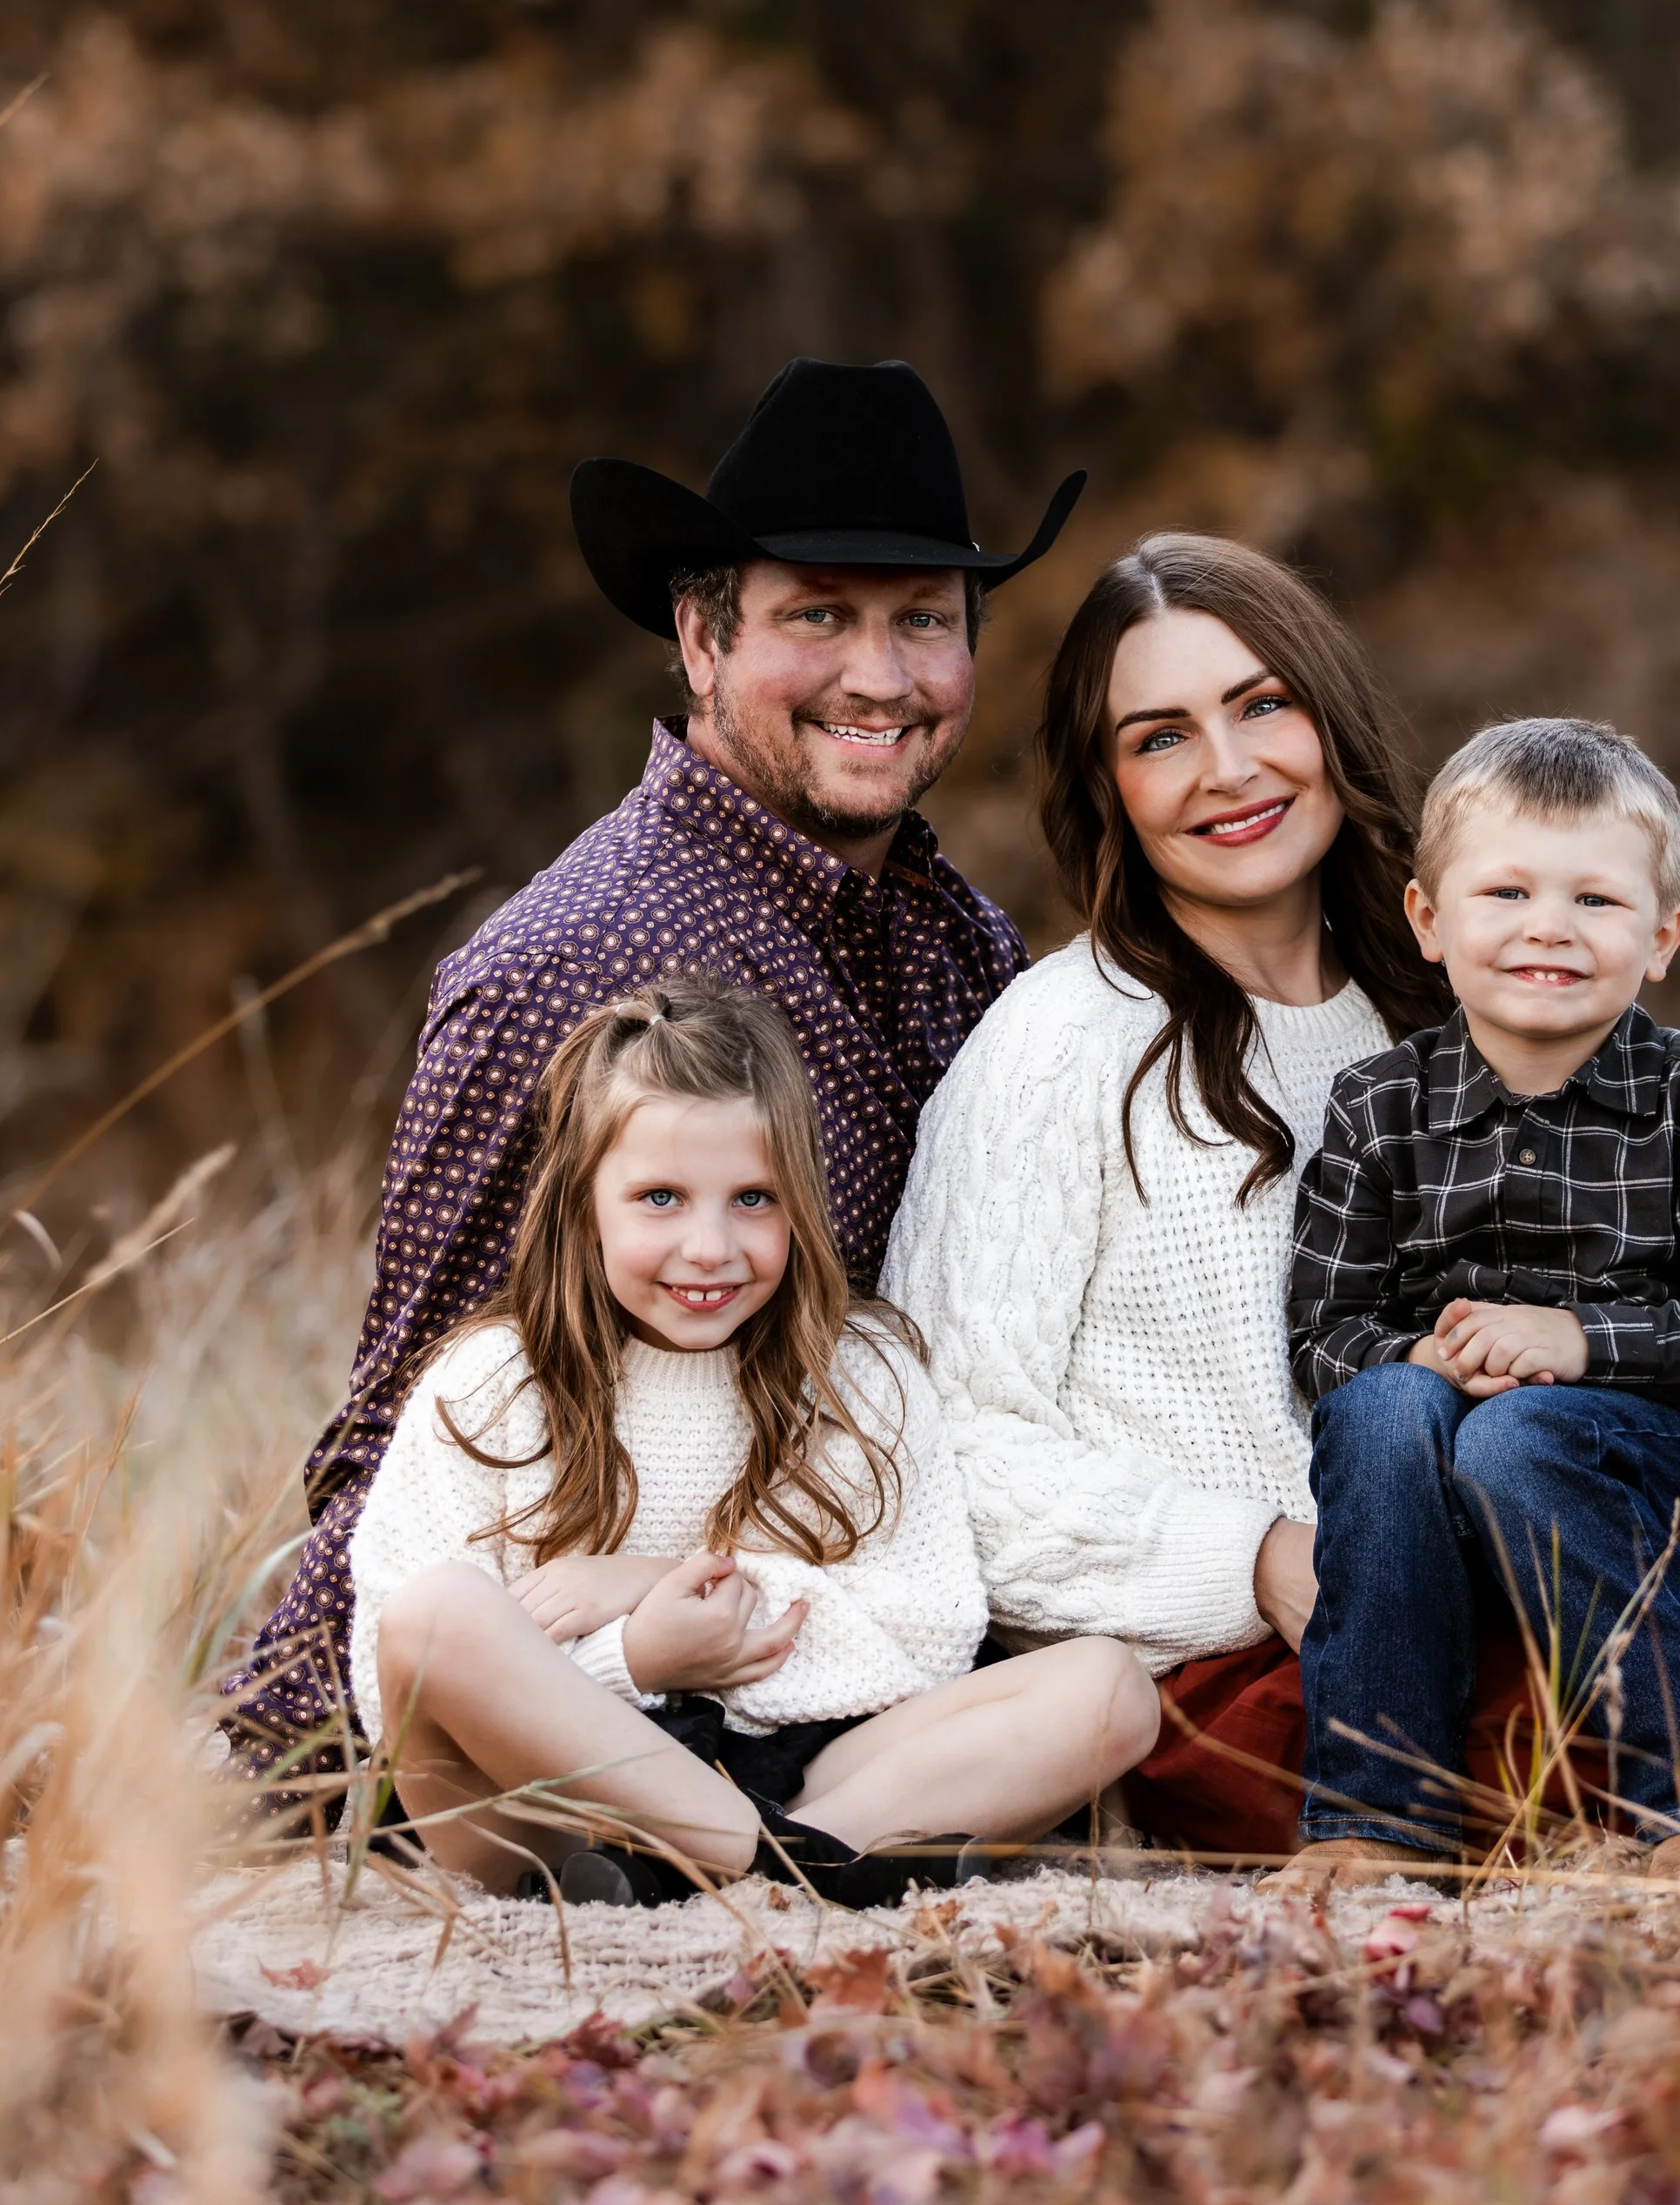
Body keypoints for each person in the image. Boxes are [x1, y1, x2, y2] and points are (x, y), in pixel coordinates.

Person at [883, 538, 1680, 1857]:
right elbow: (945, 1454)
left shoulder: (1453, 994)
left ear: (1329, 718)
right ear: (1107, 787)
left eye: (1263, 704)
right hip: (1300, 1660)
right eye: (1161, 735)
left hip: (1576, 1557)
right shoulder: (1059, 1044)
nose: (1230, 769)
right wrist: (1256, 1555)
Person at [226, 357, 1084, 1783]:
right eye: (817, 616)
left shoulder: (957, 937)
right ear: (699, 638)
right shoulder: (579, 958)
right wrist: (308, 1744)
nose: (881, 677)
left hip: (863, 1654)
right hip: (562, 1717)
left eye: (922, 622)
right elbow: (407, 1410)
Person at [353, 979, 1157, 1907]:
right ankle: (788, 1873)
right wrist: (637, 1660)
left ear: (800, 1203)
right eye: (659, 1197)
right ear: (583, 1206)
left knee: (1109, 1690)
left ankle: (697, 1878)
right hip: (548, 1813)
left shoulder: (861, 1372)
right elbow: (400, 1689)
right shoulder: (490, 1382)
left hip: (808, 1774)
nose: (709, 1245)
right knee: (433, 1612)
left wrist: (654, 1580)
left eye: (751, 1198)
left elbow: (928, 1634)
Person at [1288, 717, 1680, 1882]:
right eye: (1505, 891)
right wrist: (1427, 1362)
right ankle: (1377, 1823)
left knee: (1527, 1429)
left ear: (1663, 937)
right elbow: (1327, 1336)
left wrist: (1581, 1342)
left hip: (1648, 1459)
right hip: (1437, 1460)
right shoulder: (1376, 1108)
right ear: (1430, 921)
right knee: (1386, 1410)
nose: (1548, 925)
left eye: (1596, 900)